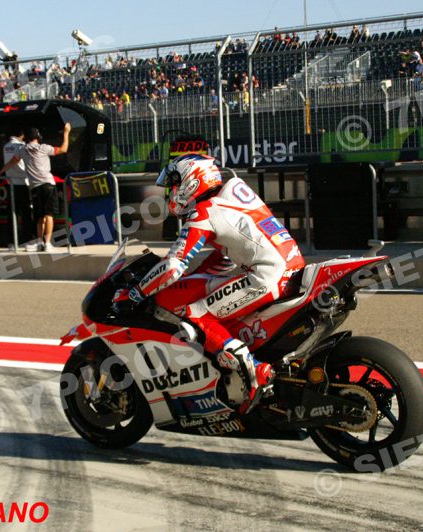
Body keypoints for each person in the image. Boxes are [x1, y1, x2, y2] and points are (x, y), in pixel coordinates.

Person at [112, 154, 306, 413]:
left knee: (196, 314)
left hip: (268, 276)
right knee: (215, 305)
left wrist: (135, 294)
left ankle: (253, 373)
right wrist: (196, 276)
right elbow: (225, 257)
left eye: (175, 184)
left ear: (192, 181)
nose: (172, 191)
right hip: (289, 266)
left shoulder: (204, 212)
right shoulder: (235, 193)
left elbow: (172, 266)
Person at [0, 124, 71, 252]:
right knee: (49, 215)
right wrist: (66, 133)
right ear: (38, 137)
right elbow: (63, 149)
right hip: (48, 184)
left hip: (34, 187)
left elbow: (11, 163)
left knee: (39, 216)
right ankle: (48, 243)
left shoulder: (22, 150)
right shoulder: (44, 148)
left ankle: (39, 242)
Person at [1, 129, 35, 251]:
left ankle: (11, 242)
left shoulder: (6, 146)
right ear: (22, 135)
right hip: (22, 182)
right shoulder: (22, 146)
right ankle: (27, 240)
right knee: (26, 213)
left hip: (10, 183)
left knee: (12, 214)